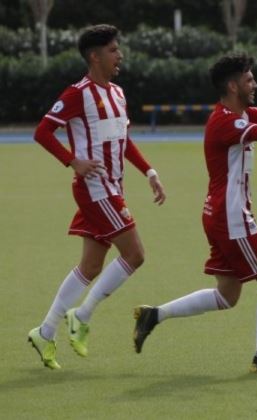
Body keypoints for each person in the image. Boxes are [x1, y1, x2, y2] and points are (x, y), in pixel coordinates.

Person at [132, 53, 257, 373]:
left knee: (227, 295)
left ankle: (154, 315)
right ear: (233, 85)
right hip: (231, 217)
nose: (255, 84)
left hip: (219, 215)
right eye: (249, 79)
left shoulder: (240, 113)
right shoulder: (225, 121)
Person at [28, 24, 166, 370]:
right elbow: (42, 132)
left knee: (90, 265)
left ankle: (45, 333)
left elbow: (124, 140)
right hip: (95, 189)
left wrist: (149, 172)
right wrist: (72, 161)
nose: (119, 55)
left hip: (113, 188)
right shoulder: (78, 94)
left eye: (118, 49)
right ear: (94, 56)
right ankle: (82, 315)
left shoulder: (118, 93)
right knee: (135, 254)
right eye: (113, 50)